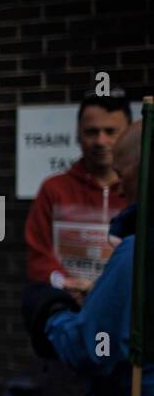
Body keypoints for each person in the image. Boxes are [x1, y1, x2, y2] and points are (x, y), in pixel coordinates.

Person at [24, 120, 153, 396]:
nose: (119, 188)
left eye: (123, 175)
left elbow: (94, 348)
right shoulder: (54, 189)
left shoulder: (136, 252)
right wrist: (102, 298)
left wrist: (50, 312)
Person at [24, 89, 131, 301]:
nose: (101, 141)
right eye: (92, 132)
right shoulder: (54, 189)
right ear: (78, 134)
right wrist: (66, 283)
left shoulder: (140, 192)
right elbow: (38, 257)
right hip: (68, 309)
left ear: (128, 134)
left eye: (111, 131)